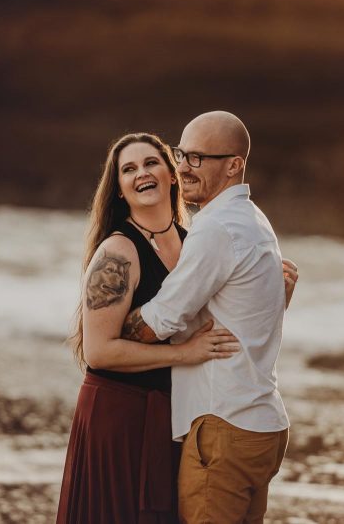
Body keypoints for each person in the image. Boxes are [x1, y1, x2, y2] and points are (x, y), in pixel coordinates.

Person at [56, 132, 242, 524]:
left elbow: (222, 327)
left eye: (151, 162)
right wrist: (183, 354)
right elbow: (98, 352)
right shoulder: (118, 252)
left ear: (172, 175)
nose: (141, 173)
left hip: (171, 414)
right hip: (118, 415)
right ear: (120, 189)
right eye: (129, 169)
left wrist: (279, 293)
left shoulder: (195, 244)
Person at [121, 111, 293, 524]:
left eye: (197, 158)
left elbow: (159, 321)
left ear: (233, 165)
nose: (182, 167)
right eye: (181, 154)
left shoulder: (216, 227)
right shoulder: (255, 220)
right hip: (261, 422)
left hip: (224, 424)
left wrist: (112, 327)